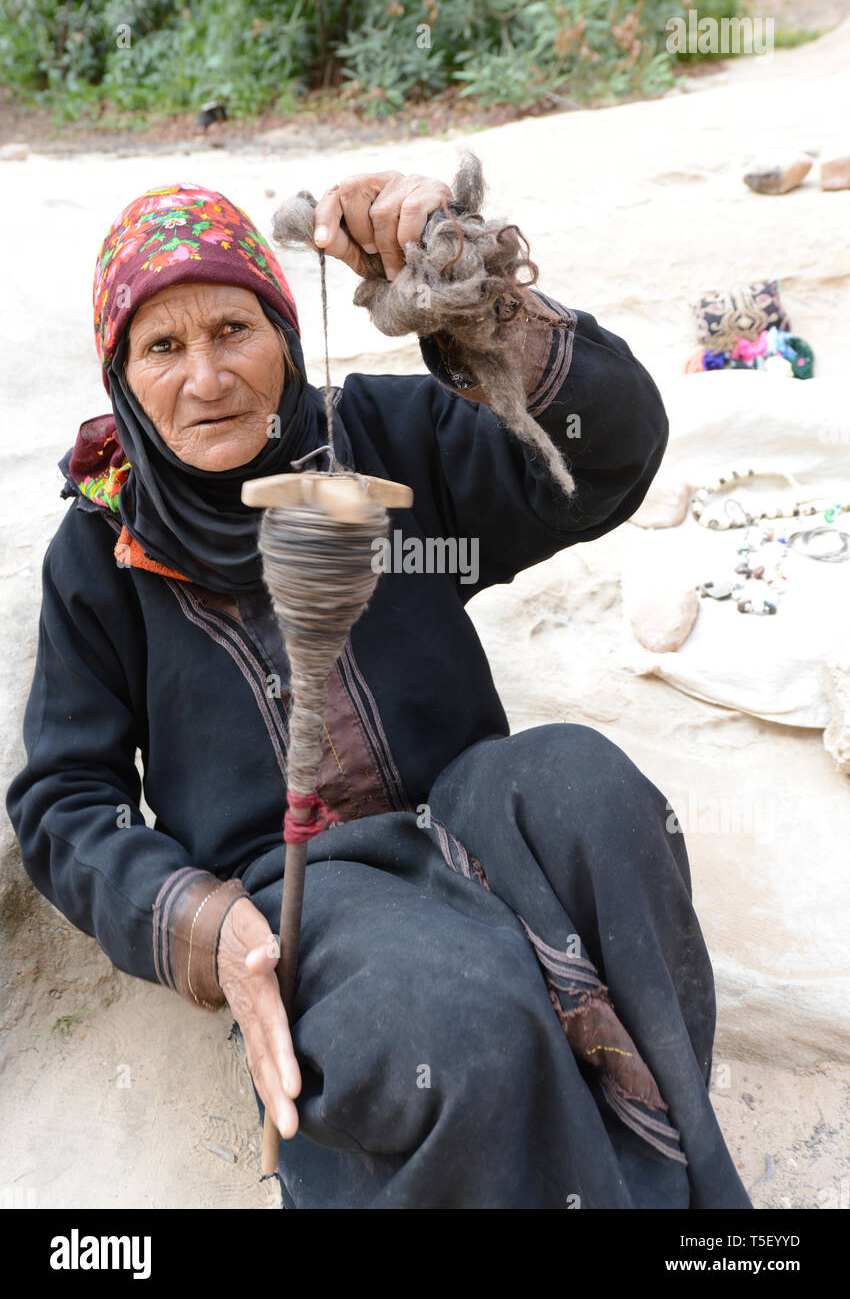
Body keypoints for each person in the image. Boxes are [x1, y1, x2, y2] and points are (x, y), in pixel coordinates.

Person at [6, 171, 750, 1209]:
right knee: (461, 1024)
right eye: (163, 348)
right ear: (121, 375)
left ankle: (674, 1181)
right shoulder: (102, 549)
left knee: (593, 787)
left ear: (285, 329)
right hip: (298, 892)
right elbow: (63, 802)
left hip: (470, 808)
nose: (209, 375)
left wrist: (477, 292)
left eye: (234, 328)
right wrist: (204, 924)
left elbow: (605, 461)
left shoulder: (382, 437)